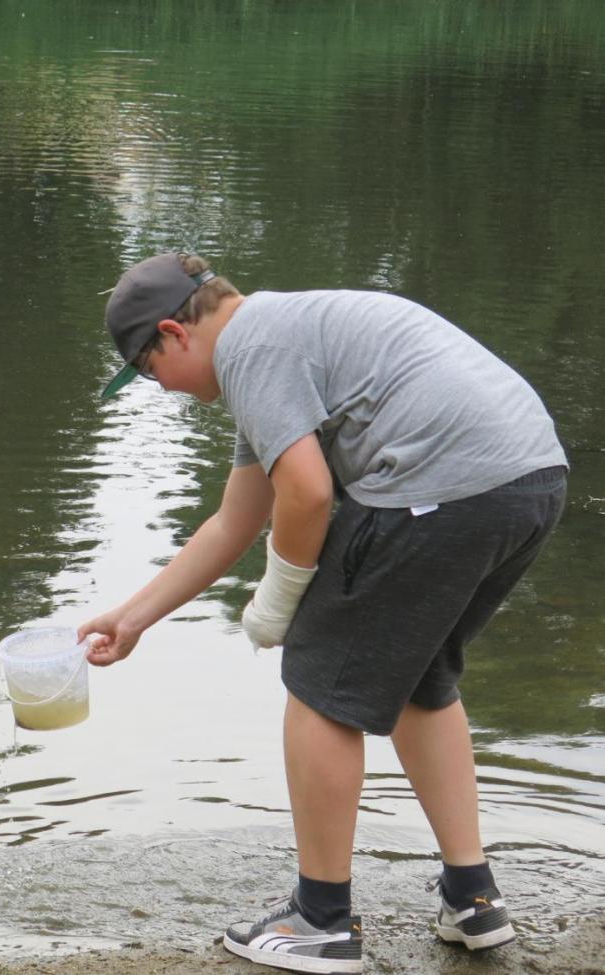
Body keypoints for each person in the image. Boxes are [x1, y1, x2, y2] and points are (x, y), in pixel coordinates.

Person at [77, 253, 568, 975]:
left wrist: (279, 601)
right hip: (528, 481)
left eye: (151, 374)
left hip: (440, 482)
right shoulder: (283, 339)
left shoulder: (254, 348)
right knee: (420, 678)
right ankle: (473, 897)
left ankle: (321, 919)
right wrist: (132, 617)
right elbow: (236, 519)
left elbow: (305, 494)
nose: (165, 391)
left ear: (175, 334)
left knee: (317, 680)